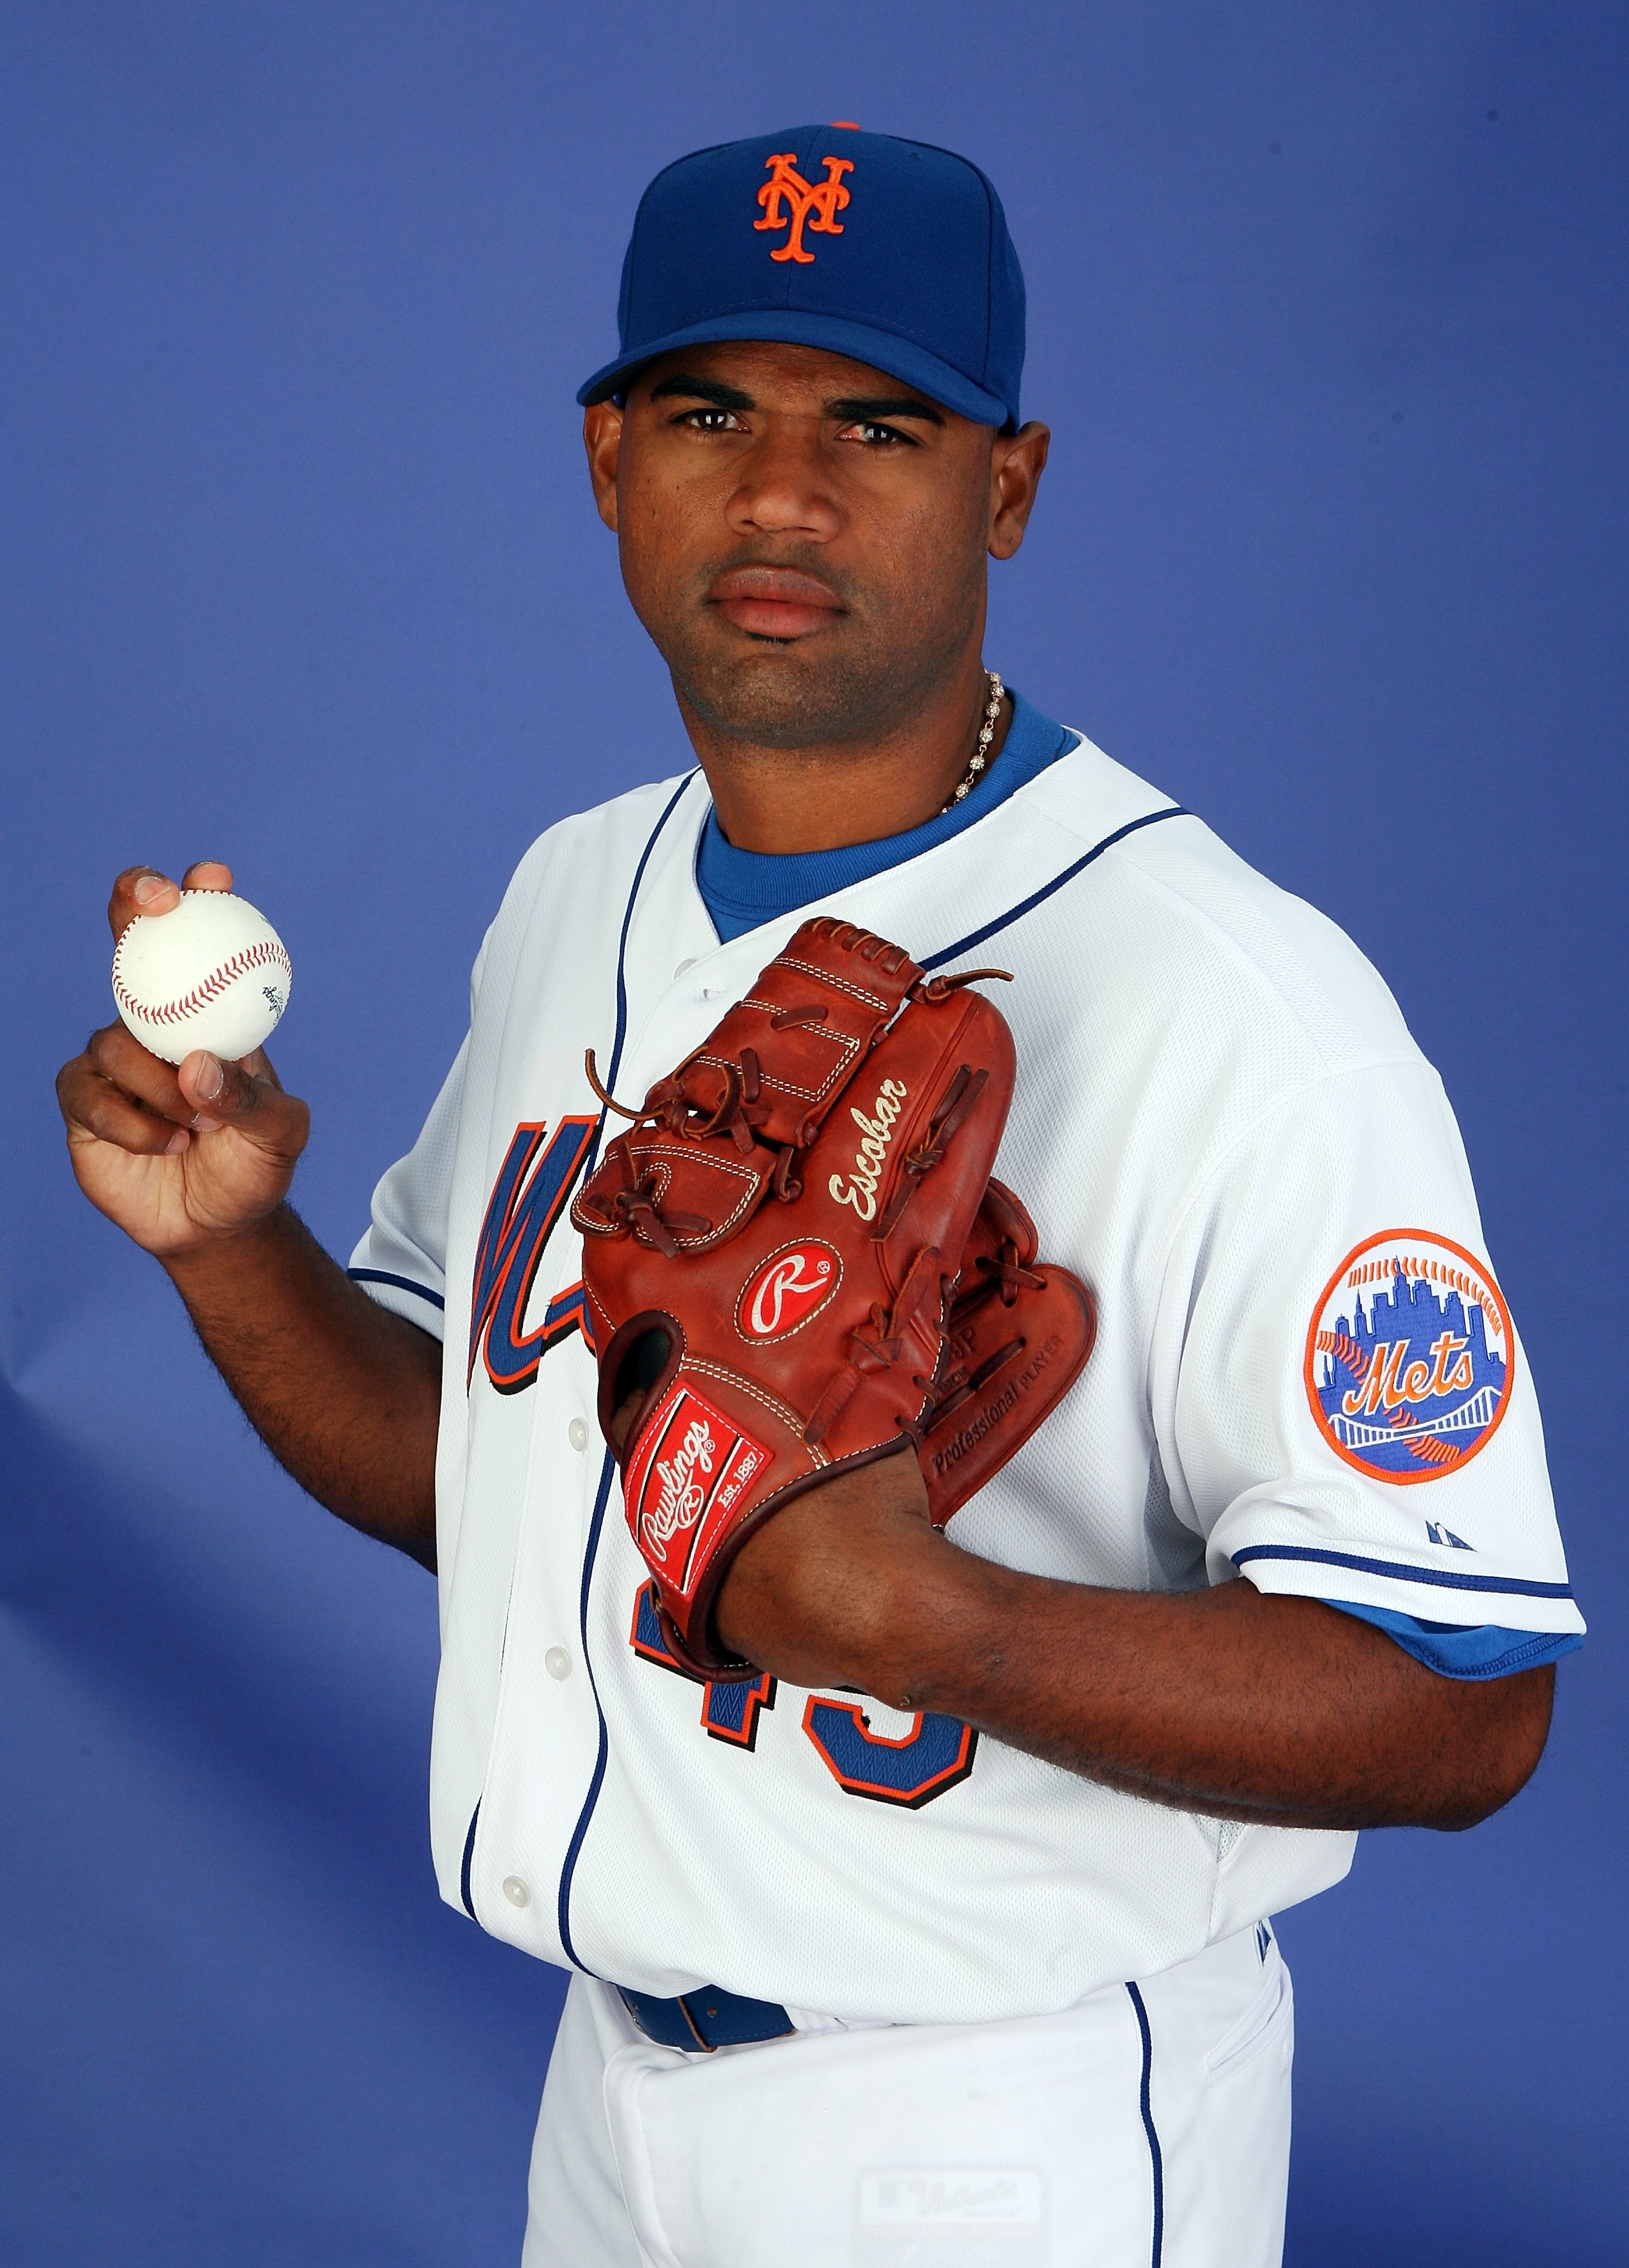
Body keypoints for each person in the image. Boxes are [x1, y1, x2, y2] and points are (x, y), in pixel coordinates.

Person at [56, 126, 1583, 2268]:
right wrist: (229, 1251)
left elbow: (1468, 1696)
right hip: (610, 2096)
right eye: (711, 414)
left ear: (1011, 488)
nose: (780, 494)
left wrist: (916, 1612)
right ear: (610, 463)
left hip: (1002, 2124)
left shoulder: (1242, 1005)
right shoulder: (573, 888)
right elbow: (488, 1480)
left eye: (877, 421)